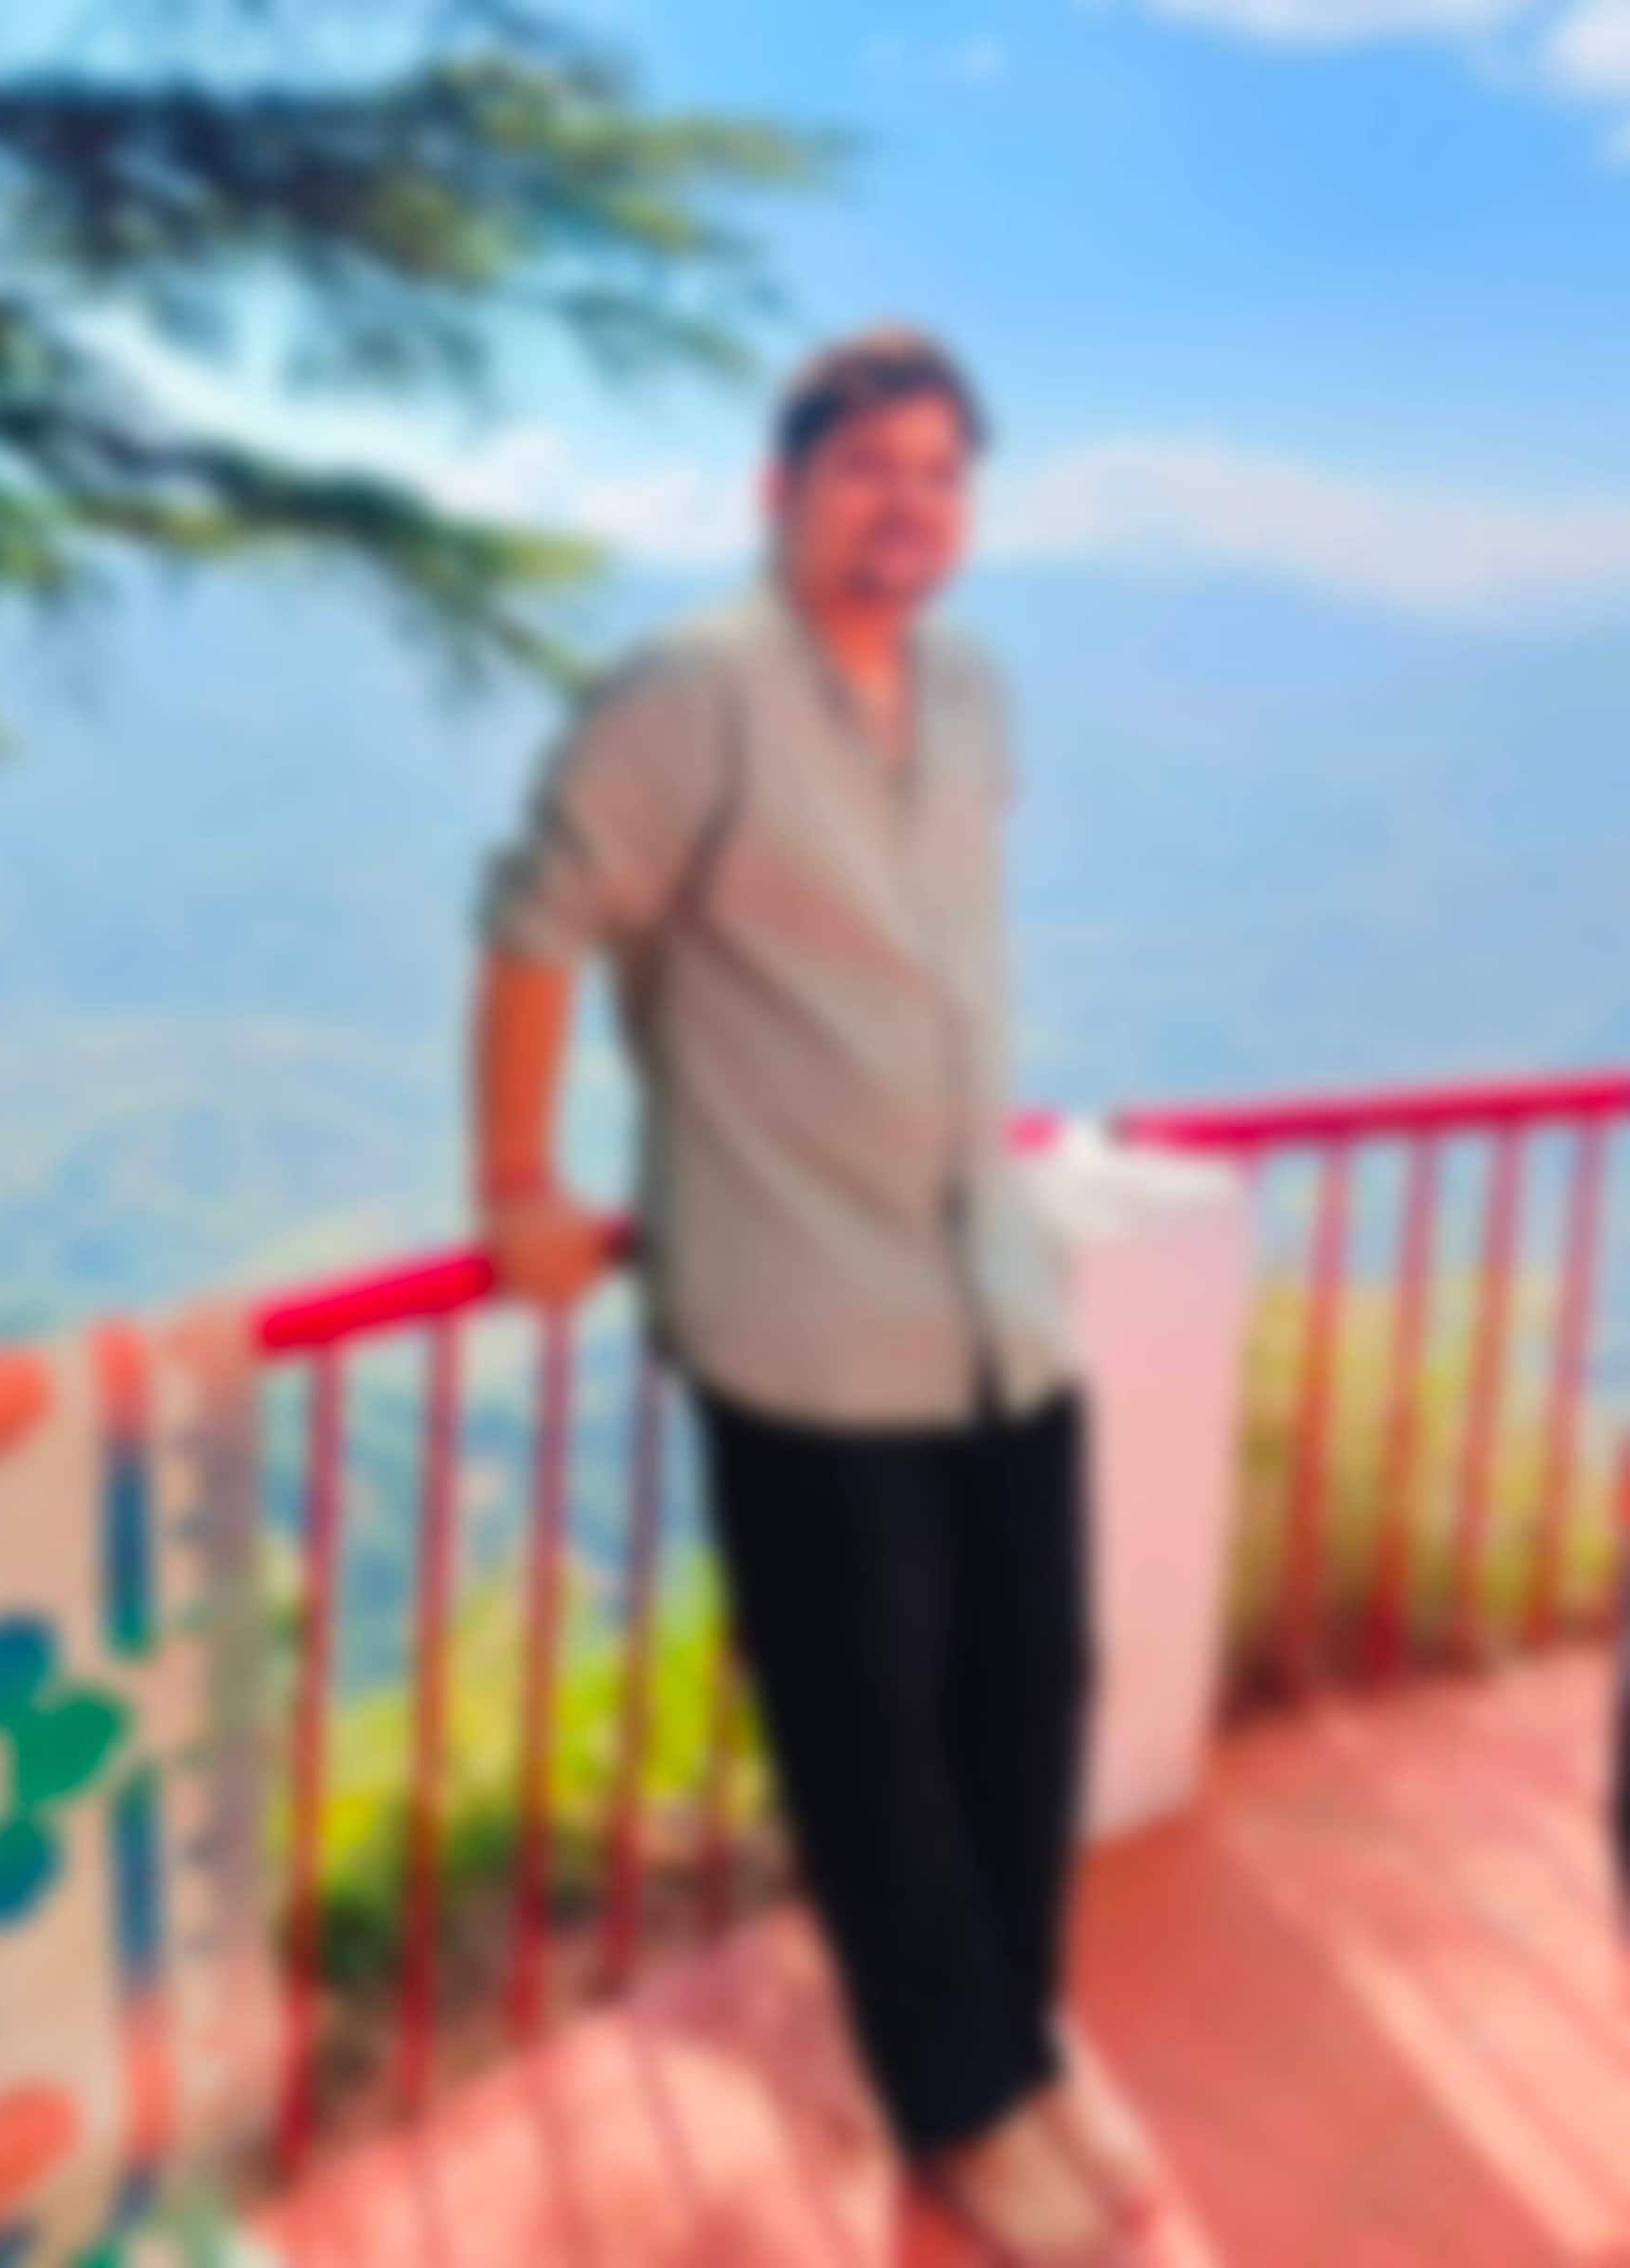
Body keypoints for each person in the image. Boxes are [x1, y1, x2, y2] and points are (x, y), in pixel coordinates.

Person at [468, 326, 1160, 2263]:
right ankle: (961, 2107)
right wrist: (515, 1184)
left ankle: (1017, 2038)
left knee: (1033, 1693)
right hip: (801, 1319)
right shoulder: (689, 694)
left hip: (991, 1294)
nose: (906, 506)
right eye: (869, 469)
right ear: (782, 491)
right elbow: (532, 923)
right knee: (876, 1750)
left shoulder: (972, 690)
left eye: (940, 474)